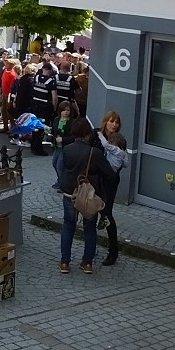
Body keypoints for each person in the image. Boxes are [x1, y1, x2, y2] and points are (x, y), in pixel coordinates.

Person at [58, 118, 113, 275]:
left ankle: (64, 262)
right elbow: (109, 173)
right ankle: (87, 263)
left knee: (68, 226)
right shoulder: (94, 153)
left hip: (70, 193)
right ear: (88, 133)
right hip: (89, 195)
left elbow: (61, 170)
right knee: (89, 229)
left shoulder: (67, 149)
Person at [96, 111, 128, 267]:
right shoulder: (97, 135)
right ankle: (91, 246)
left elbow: (122, 161)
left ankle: (113, 251)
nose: (114, 125)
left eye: (116, 122)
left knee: (106, 213)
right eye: (111, 121)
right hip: (96, 180)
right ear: (105, 122)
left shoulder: (120, 140)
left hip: (110, 181)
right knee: (90, 211)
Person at [51, 101, 75, 190]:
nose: (65, 112)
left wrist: (63, 139)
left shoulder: (72, 122)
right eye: (63, 110)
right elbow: (54, 131)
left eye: (68, 110)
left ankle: (63, 184)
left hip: (66, 148)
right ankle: (60, 180)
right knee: (54, 163)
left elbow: (73, 137)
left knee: (60, 166)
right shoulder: (56, 120)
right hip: (57, 147)